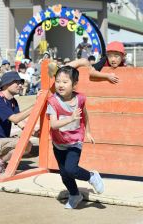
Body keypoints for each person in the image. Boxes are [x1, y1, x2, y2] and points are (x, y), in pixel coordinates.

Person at [46, 66, 104, 209]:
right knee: (65, 174)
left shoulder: (80, 99)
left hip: (75, 141)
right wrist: (71, 118)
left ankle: (91, 176)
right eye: (58, 81)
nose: (60, 85)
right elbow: (53, 124)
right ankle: (74, 194)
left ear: (74, 84)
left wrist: (88, 132)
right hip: (58, 143)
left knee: (71, 169)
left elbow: (85, 114)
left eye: (65, 82)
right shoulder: (52, 101)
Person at [0, 71, 41, 175]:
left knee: (30, 146)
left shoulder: (12, 101)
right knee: (25, 144)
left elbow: (22, 124)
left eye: (20, 82)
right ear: (6, 84)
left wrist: (36, 133)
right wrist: (37, 105)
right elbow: (15, 119)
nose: (20, 85)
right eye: (16, 82)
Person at [48, 57, 119, 84]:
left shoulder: (124, 64)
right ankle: (60, 69)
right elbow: (92, 72)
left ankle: (60, 68)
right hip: (93, 72)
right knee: (84, 61)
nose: (113, 59)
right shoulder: (104, 59)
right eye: (111, 56)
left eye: (116, 56)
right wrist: (107, 76)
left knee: (84, 61)